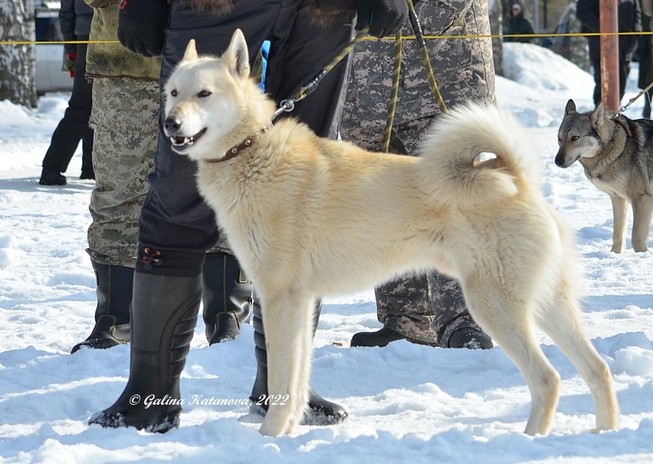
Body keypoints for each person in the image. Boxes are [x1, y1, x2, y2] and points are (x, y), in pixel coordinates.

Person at [88, 0, 408, 434]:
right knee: (178, 197)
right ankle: (150, 395)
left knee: (303, 189)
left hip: (324, 9)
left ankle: (282, 392)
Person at [71, 1, 252, 354]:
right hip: (129, 59)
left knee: (227, 191)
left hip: (220, 59)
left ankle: (227, 314)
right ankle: (116, 318)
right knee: (120, 193)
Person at [341, 0, 494, 350]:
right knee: (385, 200)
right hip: (366, 83)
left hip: (443, 64)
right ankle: (406, 320)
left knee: (451, 200)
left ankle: (465, 321)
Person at [39, 0, 94, 186]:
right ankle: (52, 169)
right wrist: (71, 49)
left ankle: (90, 168)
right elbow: (66, 12)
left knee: (95, 105)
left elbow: (66, 12)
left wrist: (71, 48)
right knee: (82, 105)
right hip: (89, 37)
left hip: (87, 36)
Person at [576, 0, 641, 106]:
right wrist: (604, 28)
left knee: (621, 83)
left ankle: (614, 111)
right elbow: (583, 13)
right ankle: (599, 112)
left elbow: (637, 13)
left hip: (625, 46)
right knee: (602, 83)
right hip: (600, 46)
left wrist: (636, 34)